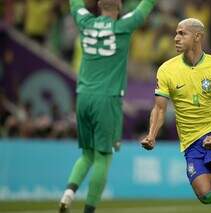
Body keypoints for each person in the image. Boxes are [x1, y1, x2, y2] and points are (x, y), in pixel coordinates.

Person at [140, 18, 211, 213]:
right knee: (207, 196)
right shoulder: (167, 69)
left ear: (197, 36)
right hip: (190, 141)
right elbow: (159, 108)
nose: (175, 38)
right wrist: (151, 135)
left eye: (182, 33)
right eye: (175, 33)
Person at [59, 0, 156, 212]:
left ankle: (68, 193)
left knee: (87, 154)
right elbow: (146, 6)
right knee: (103, 156)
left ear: (98, 6)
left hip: (83, 96)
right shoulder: (123, 26)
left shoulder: (85, 21)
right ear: (119, 7)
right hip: (106, 98)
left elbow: (75, 4)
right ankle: (89, 210)